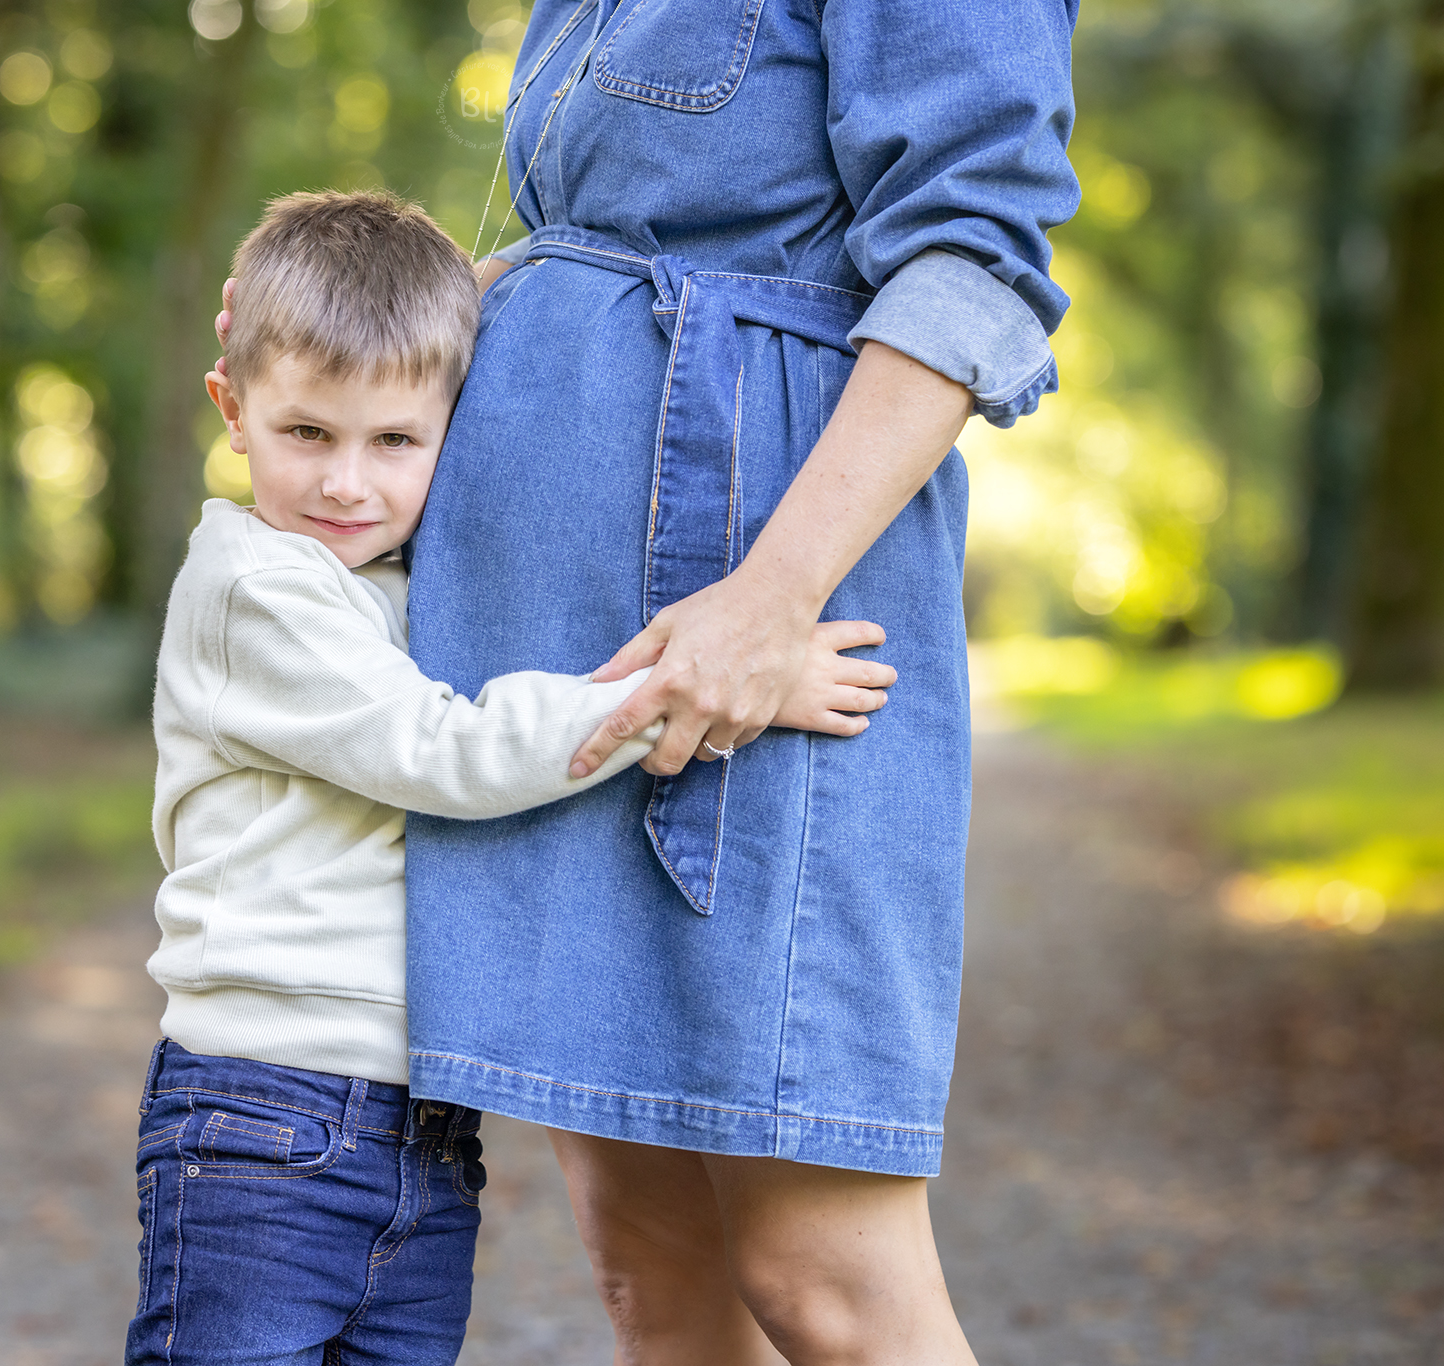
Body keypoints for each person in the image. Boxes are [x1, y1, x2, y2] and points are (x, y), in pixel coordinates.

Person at [394, 2, 1085, 1362]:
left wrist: (772, 599)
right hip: (563, 651)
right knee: (648, 1258)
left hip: (766, 606)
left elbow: (973, 248)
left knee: (827, 1275)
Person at [130, 189, 899, 1366]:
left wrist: (479, 283)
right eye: (307, 434)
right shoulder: (253, 589)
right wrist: (698, 687)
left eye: (395, 440)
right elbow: (451, 749)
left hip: (422, 1132)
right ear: (231, 410)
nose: (348, 482)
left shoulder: (379, 581)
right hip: (261, 1116)